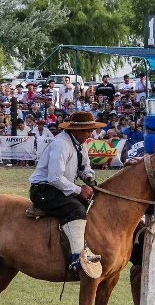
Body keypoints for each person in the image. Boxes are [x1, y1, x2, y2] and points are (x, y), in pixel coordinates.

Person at [28, 111, 104, 278]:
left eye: (91, 130)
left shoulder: (80, 143)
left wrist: (89, 177)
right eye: (87, 131)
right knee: (75, 208)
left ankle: (85, 246)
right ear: (75, 130)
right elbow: (54, 178)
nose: (90, 134)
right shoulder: (61, 144)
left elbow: (84, 167)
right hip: (44, 189)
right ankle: (77, 258)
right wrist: (79, 190)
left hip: (61, 187)